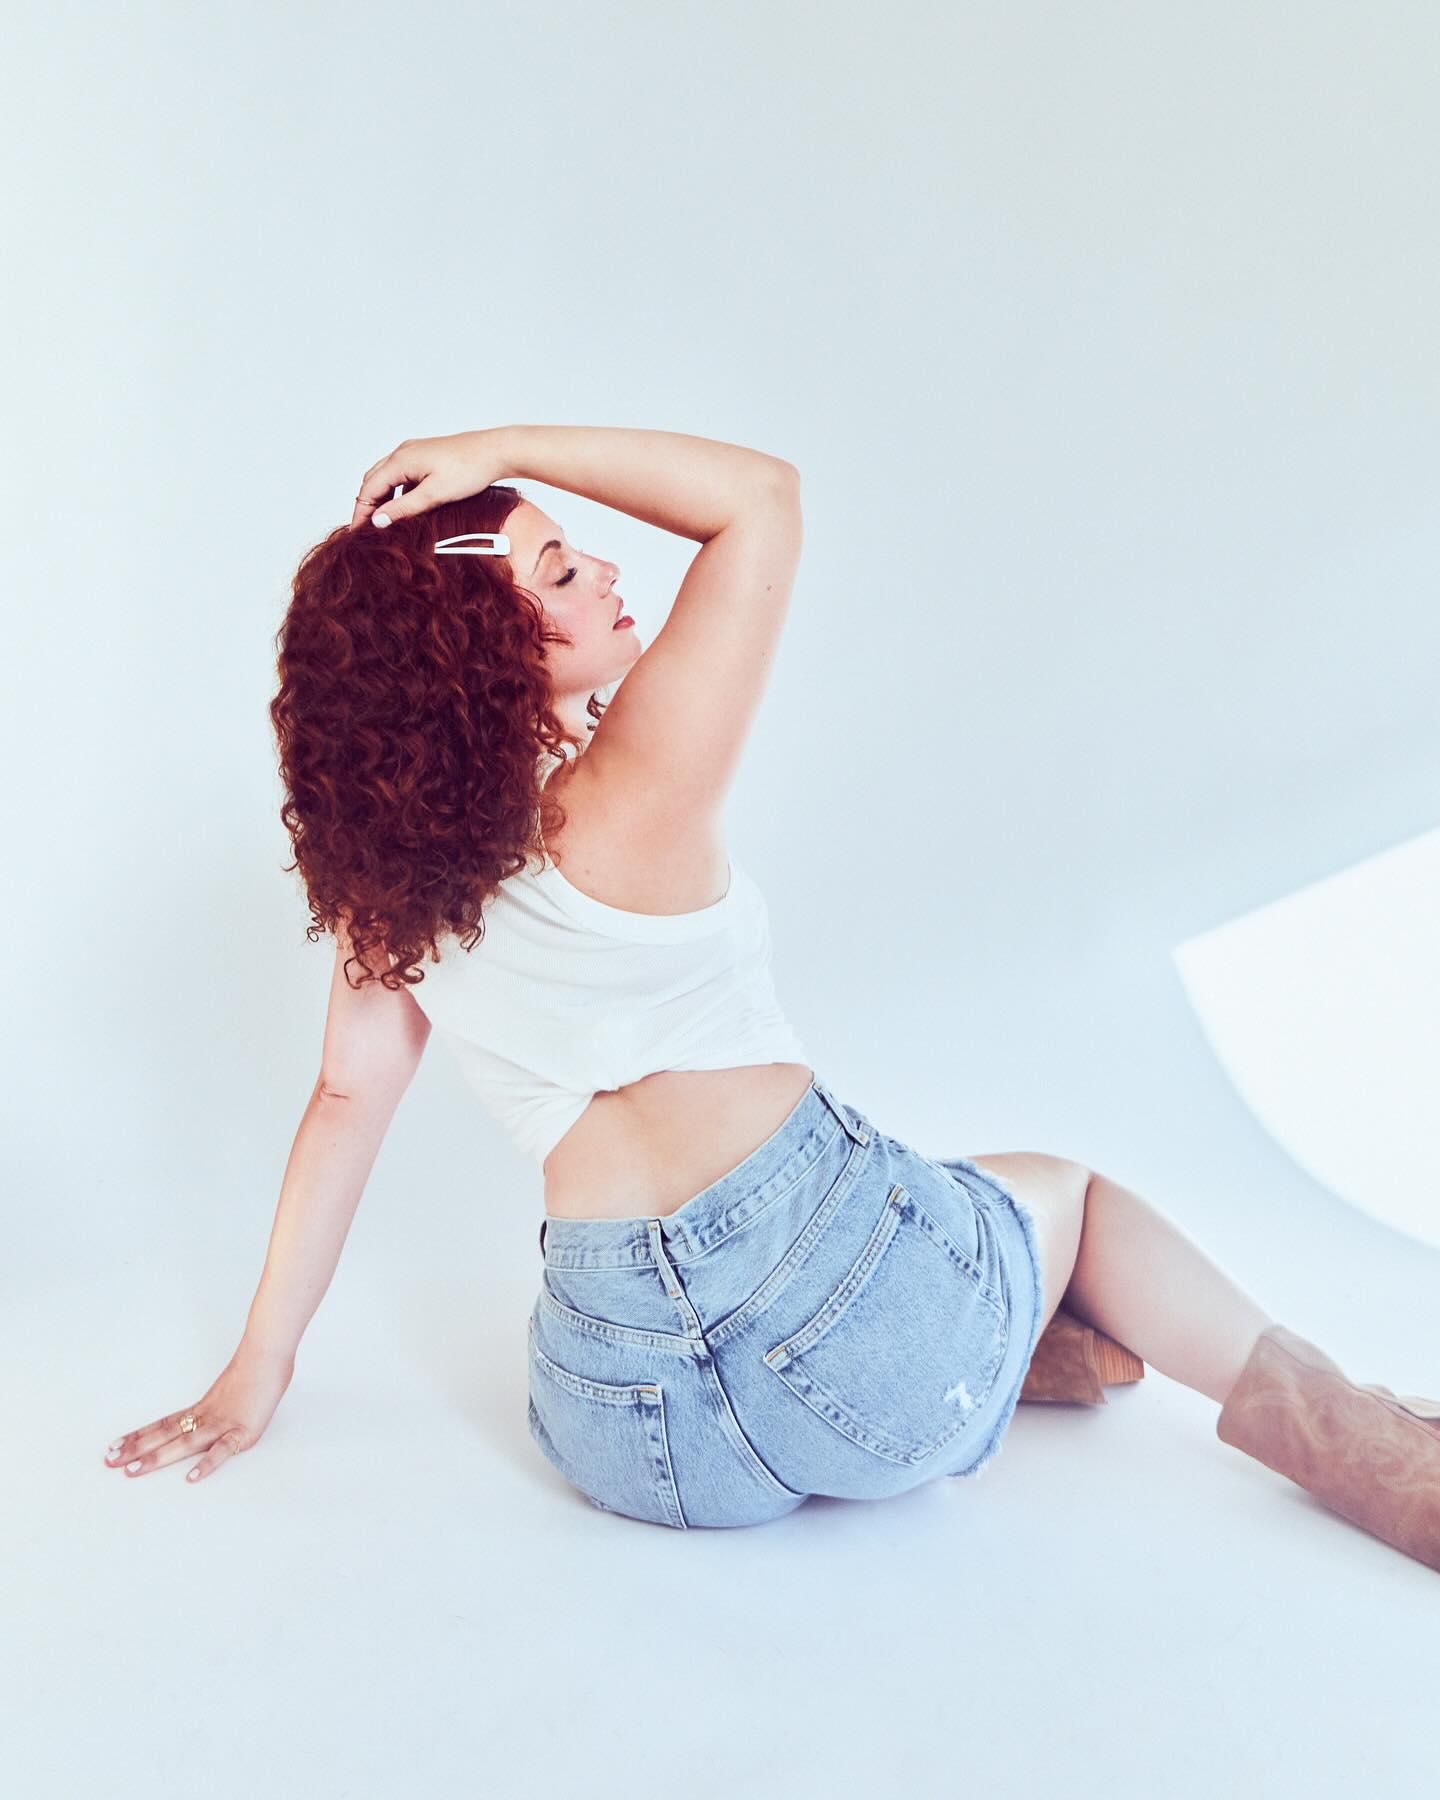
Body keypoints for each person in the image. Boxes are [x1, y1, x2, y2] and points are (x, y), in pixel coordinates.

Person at [103, 424, 1440, 1568]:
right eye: (559, 571)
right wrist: (500, 445)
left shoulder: (391, 895)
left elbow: (344, 1103)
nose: (606, 572)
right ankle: (1360, 1444)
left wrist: (259, 1368)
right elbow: (759, 497)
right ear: (480, 656)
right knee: (1065, 1196)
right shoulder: (628, 788)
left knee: (925, 1255)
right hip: (860, 1324)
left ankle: (1014, 1354)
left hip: (629, 1431)